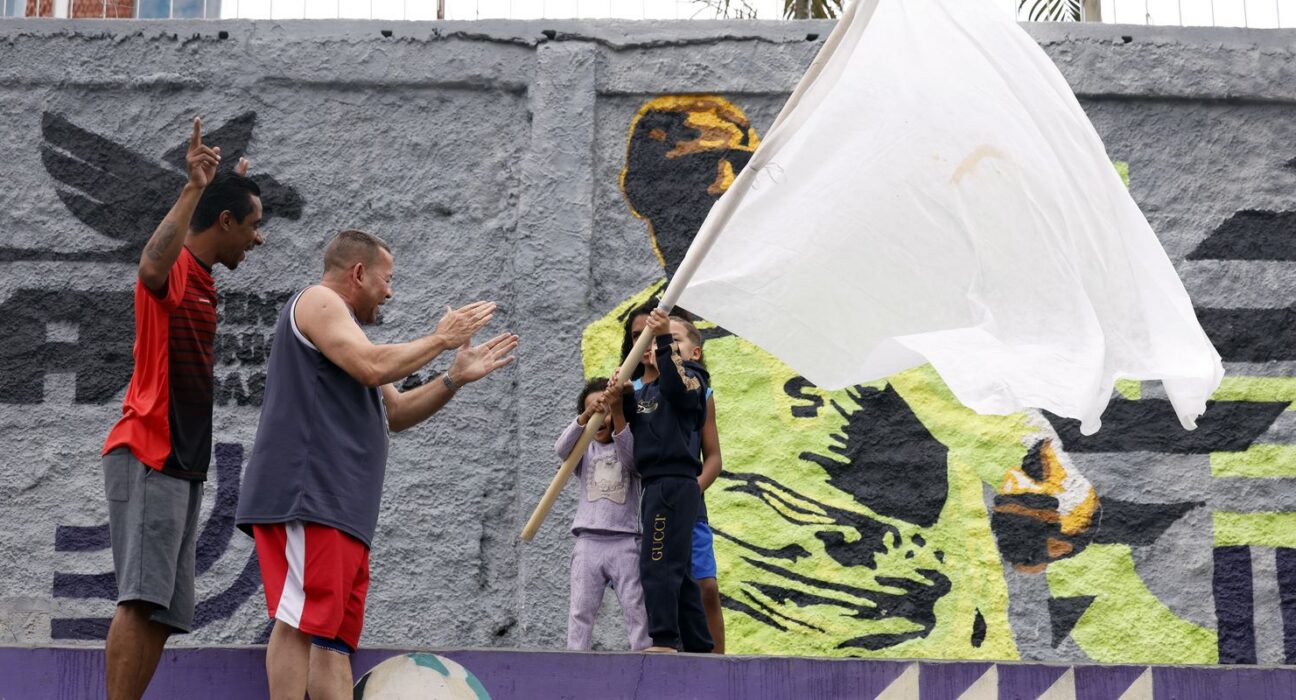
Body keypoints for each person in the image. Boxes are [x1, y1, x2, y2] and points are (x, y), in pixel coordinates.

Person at [234, 229, 517, 699]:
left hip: (342, 510)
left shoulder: (349, 334)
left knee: (334, 641)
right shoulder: (320, 302)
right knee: (299, 621)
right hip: (309, 498)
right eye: (386, 280)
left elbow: (398, 411)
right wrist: (441, 339)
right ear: (359, 273)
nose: (390, 291)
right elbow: (371, 365)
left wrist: (453, 378)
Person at [100, 118, 264, 700]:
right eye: (252, 226)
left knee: (165, 611)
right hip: (150, 449)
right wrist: (196, 187)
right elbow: (149, 266)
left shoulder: (205, 278)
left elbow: (218, 228)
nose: (258, 239)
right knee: (139, 598)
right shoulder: (175, 272)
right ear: (223, 223)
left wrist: (232, 191)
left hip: (183, 462)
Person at [622, 300, 725, 653]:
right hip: (653, 485)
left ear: (693, 351)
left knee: (658, 564)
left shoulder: (692, 381)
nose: (659, 344)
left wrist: (665, 340)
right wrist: (617, 398)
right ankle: (699, 646)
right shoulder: (645, 391)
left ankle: (664, 639)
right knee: (678, 573)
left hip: (675, 483)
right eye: (655, 339)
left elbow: (676, 385)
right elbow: (629, 431)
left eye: (671, 340)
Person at [557, 374, 650, 651]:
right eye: (595, 409)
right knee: (581, 610)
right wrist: (586, 415)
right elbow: (561, 449)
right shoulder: (583, 452)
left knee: (636, 608)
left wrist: (617, 411)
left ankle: (643, 655)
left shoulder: (628, 445)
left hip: (626, 541)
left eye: (607, 411)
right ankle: (575, 659)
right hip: (588, 542)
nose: (602, 417)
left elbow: (632, 460)